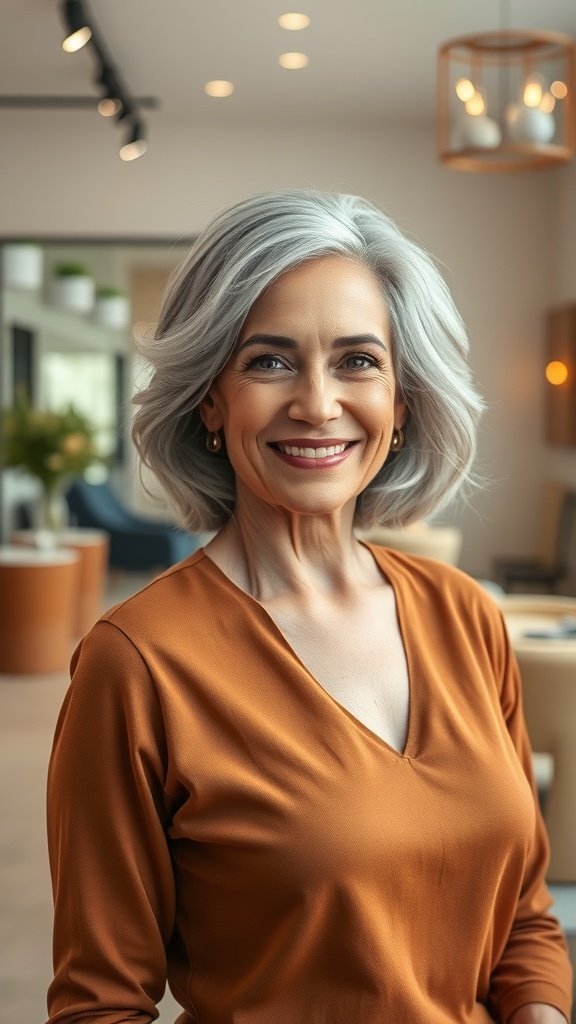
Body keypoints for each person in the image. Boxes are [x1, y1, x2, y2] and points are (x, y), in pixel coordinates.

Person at [46, 190, 573, 1024]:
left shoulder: (465, 615)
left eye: (358, 360)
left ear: (402, 401)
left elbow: (524, 919)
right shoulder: (137, 662)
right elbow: (99, 1005)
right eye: (270, 360)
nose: (318, 404)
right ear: (210, 401)